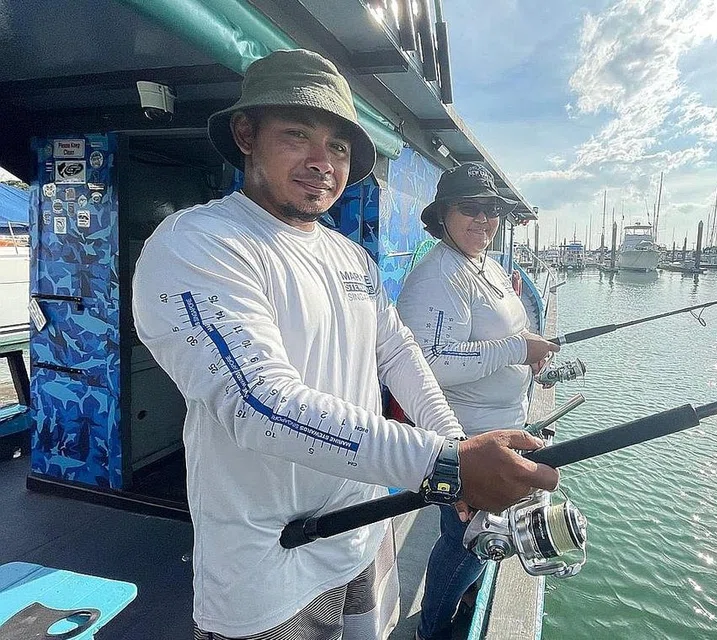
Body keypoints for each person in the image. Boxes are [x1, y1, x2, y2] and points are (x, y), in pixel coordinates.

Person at [131, 49, 559, 640]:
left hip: (362, 535)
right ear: (245, 134)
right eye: (296, 135)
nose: (321, 161)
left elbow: (399, 351)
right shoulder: (199, 243)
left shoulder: (347, 254)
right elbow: (259, 403)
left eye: (338, 147)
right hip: (268, 569)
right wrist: (442, 466)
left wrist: (456, 444)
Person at [396, 163, 561, 640]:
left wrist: (526, 347)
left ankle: (459, 597)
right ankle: (432, 630)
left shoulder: (483, 263)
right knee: (462, 540)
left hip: (501, 425)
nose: (483, 219)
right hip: (466, 436)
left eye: (490, 210)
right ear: (443, 214)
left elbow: (498, 333)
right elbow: (428, 362)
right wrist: (516, 350)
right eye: (470, 208)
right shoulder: (436, 277)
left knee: (474, 536)